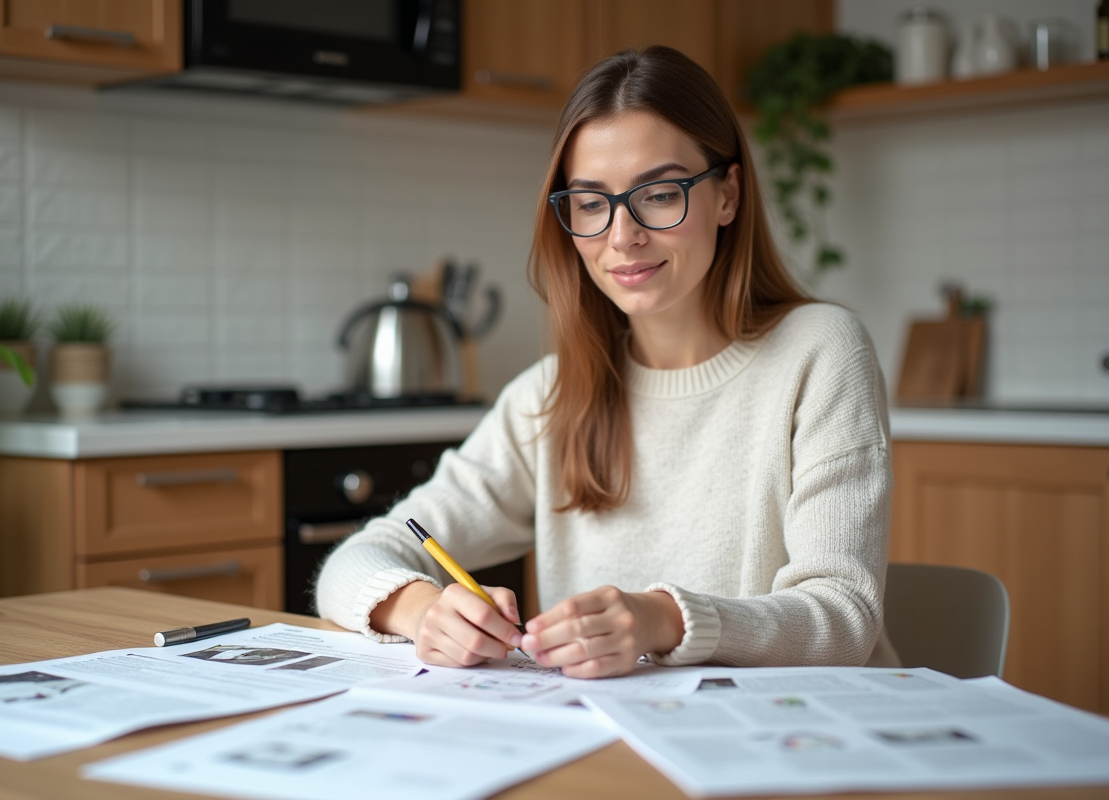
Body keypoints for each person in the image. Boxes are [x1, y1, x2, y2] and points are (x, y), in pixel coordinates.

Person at [316, 45, 897, 678]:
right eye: (592, 203)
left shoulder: (820, 352)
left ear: (727, 194)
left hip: (797, 745)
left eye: (659, 193)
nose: (622, 236)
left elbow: (843, 620)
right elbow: (359, 558)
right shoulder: (551, 396)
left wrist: (663, 618)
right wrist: (422, 610)